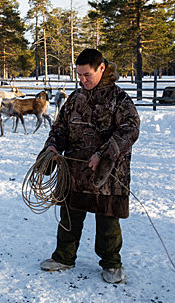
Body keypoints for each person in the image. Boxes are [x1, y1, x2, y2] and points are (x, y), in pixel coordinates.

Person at [38, 48, 140, 284]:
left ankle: (112, 263)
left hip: (107, 176)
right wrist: (52, 147)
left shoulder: (119, 99)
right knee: (69, 217)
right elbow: (60, 128)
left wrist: (103, 154)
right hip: (74, 173)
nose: (82, 80)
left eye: (87, 75)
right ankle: (64, 257)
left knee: (108, 221)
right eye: (79, 75)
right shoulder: (75, 98)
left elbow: (130, 129)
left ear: (101, 68)